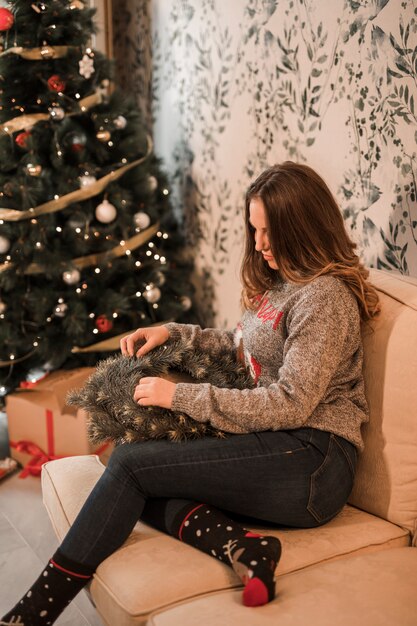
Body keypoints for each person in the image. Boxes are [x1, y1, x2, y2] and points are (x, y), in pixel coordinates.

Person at [2, 162, 380, 625]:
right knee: (142, 465)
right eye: (255, 230)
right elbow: (242, 347)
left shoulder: (324, 298)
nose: (260, 245)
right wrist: (172, 333)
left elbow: (290, 403)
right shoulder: (285, 283)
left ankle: (34, 612)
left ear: (303, 229)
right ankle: (245, 548)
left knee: (129, 467)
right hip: (280, 446)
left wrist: (179, 396)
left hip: (314, 462)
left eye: (270, 233)